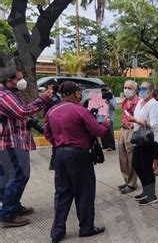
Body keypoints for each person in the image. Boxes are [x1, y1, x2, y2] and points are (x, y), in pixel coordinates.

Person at [43, 81, 110, 241]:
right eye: (79, 92)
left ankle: (57, 232)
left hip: (60, 155)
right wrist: (105, 124)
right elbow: (97, 131)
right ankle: (86, 227)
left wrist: (61, 144)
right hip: (79, 155)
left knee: (62, 192)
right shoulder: (80, 111)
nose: (81, 94)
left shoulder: (51, 111)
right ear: (75, 93)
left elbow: (47, 134)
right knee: (84, 192)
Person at [0, 62, 52, 228]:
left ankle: (13, 207)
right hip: (11, 141)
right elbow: (22, 111)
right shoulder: (4, 95)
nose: (22, 81)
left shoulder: (9, 93)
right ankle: (8, 214)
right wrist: (42, 100)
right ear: (9, 80)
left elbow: (17, 114)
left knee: (8, 177)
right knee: (19, 175)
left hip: (10, 140)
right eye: (19, 79)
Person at [127, 81, 158, 205]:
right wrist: (132, 122)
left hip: (149, 140)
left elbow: (154, 126)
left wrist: (137, 120)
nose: (142, 90)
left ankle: (151, 195)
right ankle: (146, 190)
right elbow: (138, 119)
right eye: (141, 88)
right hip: (138, 138)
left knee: (146, 167)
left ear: (151, 90)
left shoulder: (154, 105)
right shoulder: (140, 102)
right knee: (136, 164)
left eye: (144, 88)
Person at [117, 80, 139, 194]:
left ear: (135, 90)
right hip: (123, 129)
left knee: (131, 159)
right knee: (122, 157)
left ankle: (132, 183)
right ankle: (126, 180)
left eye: (129, 88)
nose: (126, 90)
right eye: (125, 87)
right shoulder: (125, 100)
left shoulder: (139, 102)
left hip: (132, 131)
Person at [43, 78, 61, 171]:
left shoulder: (55, 94)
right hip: (51, 121)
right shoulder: (49, 95)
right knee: (56, 142)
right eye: (54, 85)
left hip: (55, 120)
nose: (56, 86)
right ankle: (53, 163)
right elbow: (58, 104)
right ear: (49, 86)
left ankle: (54, 163)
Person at [98, 84, 116, 151]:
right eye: (102, 89)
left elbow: (114, 106)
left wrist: (109, 100)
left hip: (109, 117)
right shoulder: (99, 96)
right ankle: (104, 145)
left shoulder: (111, 96)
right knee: (102, 131)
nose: (104, 91)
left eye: (105, 89)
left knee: (110, 132)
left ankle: (111, 146)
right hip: (100, 117)